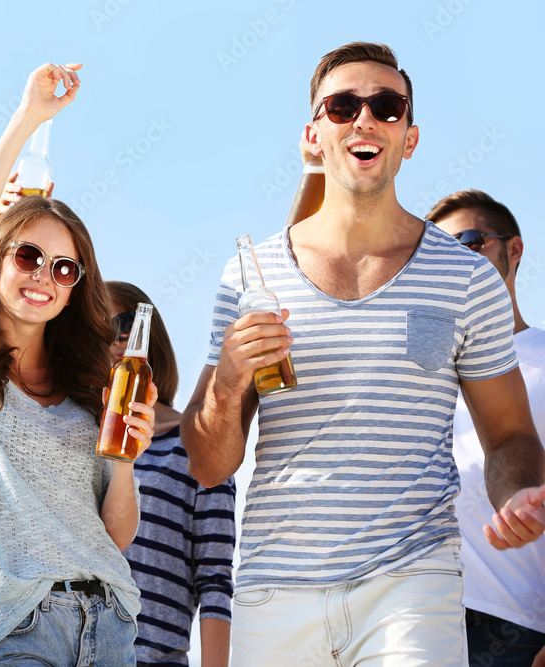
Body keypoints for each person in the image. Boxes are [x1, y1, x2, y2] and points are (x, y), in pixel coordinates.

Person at [180, 42, 545, 665]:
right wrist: (230, 380)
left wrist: (521, 492)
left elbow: (509, 435)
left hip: (413, 587)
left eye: (386, 106)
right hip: (276, 591)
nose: (365, 119)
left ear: (410, 136)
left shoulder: (467, 280)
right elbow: (208, 464)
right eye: (343, 105)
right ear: (314, 133)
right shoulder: (251, 277)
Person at [0, 62, 157, 666]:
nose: (45, 276)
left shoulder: (92, 388)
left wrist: (124, 464)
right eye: (29, 255)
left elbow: (116, 535)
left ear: (76, 287)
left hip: (112, 627)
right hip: (15, 630)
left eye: (64, 268)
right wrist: (29, 117)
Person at [429, 189, 545, 667]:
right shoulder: (421, 373)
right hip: (417, 615)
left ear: (512, 250)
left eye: (470, 241)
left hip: (515, 627)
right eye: (439, 253)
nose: (457, 259)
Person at [108, 281, 235, 667]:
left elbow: (214, 580)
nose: (111, 343)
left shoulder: (196, 446)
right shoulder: (76, 442)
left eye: (122, 328)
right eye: (88, 331)